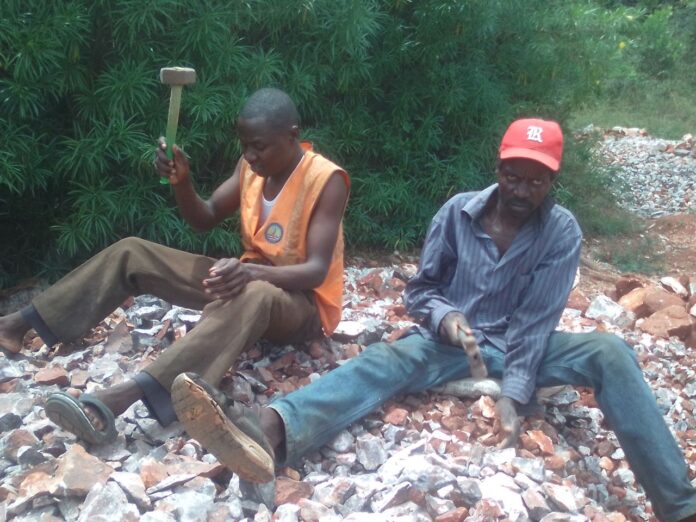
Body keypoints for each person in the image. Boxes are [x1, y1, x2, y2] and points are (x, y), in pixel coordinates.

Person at [171, 118, 696, 522]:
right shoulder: (457, 212)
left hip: (523, 347)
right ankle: (267, 432)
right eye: (513, 176)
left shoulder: (561, 232)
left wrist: (513, 396)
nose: (520, 191)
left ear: (551, 181)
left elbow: (538, 322)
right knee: (384, 360)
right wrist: (447, 320)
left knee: (610, 350)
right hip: (449, 345)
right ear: (498, 171)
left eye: (535, 182)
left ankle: (678, 504)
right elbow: (421, 291)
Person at [0, 88, 350, 445]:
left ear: (291, 135)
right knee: (133, 251)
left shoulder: (326, 179)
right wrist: (182, 183)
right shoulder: (250, 167)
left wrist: (251, 273)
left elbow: (316, 270)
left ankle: (127, 397)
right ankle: (19, 324)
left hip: (300, 308)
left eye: (259, 146)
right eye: (244, 144)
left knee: (256, 293)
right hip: (245, 280)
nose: (250, 155)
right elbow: (207, 215)